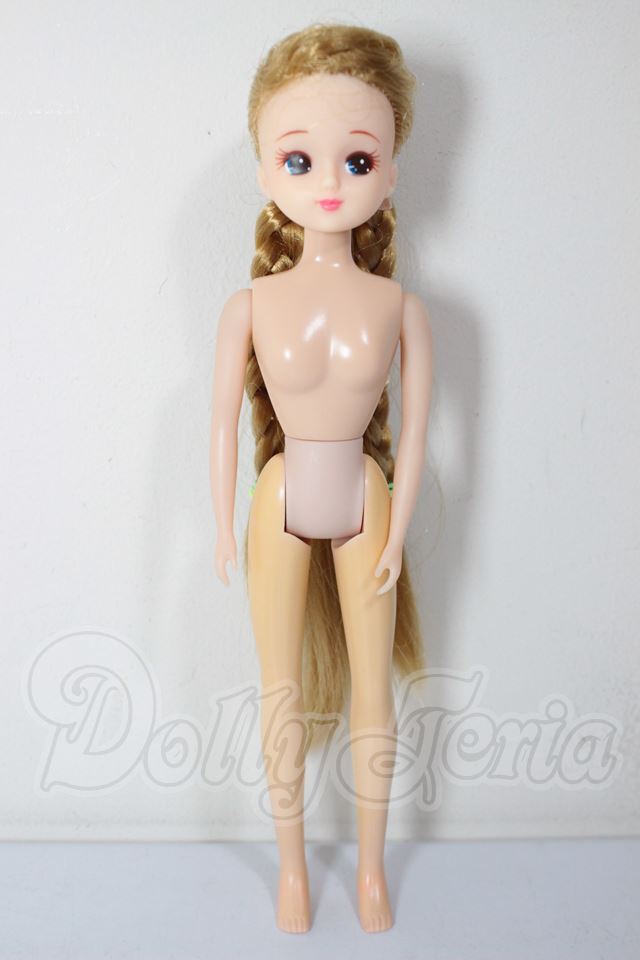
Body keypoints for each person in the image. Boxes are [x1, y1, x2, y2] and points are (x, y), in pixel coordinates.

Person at [209, 22, 433, 934]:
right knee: (282, 692)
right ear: (266, 170)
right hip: (279, 500)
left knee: (374, 690)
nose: (331, 183)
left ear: (390, 171)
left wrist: (401, 529)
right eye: (299, 160)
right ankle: (294, 871)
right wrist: (219, 524)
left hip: (367, 499)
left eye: (358, 159)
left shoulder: (399, 305)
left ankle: (371, 872)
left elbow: (418, 432)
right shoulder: (250, 303)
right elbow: (219, 424)